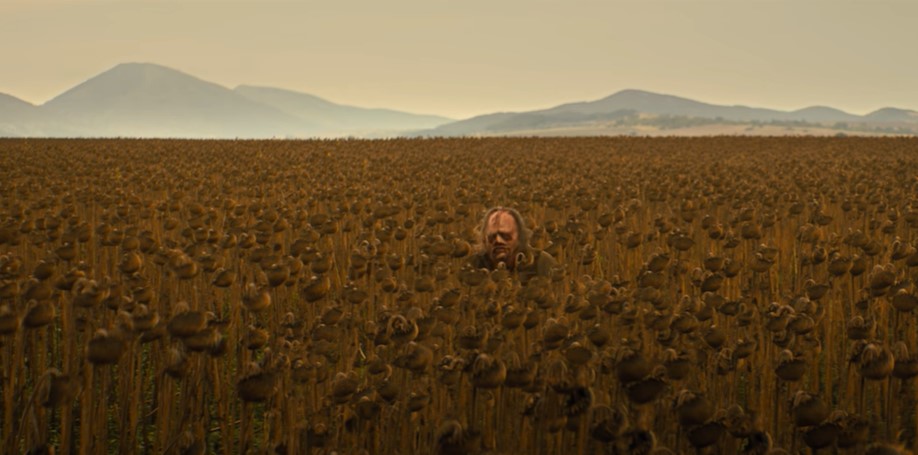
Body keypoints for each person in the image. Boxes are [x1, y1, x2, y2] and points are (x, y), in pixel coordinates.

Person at [469, 207, 556, 284]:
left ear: (519, 237)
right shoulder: (474, 264)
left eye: (505, 236)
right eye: (492, 236)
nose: (498, 241)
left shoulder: (541, 262)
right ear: (484, 239)